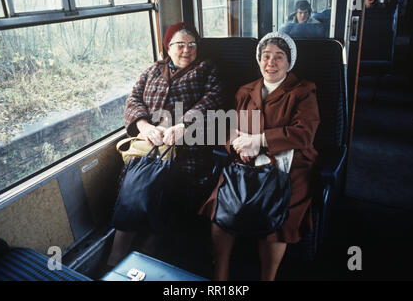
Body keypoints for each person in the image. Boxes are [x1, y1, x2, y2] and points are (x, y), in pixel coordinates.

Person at [200, 31, 320, 281]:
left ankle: (268, 277)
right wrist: (236, 144)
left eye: (279, 57)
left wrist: (259, 140)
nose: (271, 63)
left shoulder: (303, 91)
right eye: (266, 56)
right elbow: (231, 126)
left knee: (276, 214)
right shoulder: (246, 90)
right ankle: (220, 274)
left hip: (289, 167)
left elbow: (304, 134)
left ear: (289, 62)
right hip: (246, 164)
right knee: (222, 205)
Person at [106, 22, 225, 268]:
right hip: (150, 146)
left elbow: (212, 99)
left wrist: (182, 125)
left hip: (188, 148)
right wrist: (145, 127)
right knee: (135, 182)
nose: (186, 50)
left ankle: (148, 253)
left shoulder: (206, 69)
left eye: (192, 45)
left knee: (166, 187)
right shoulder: (151, 71)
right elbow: (133, 100)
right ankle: (115, 258)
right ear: (167, 47)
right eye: (180, 44)